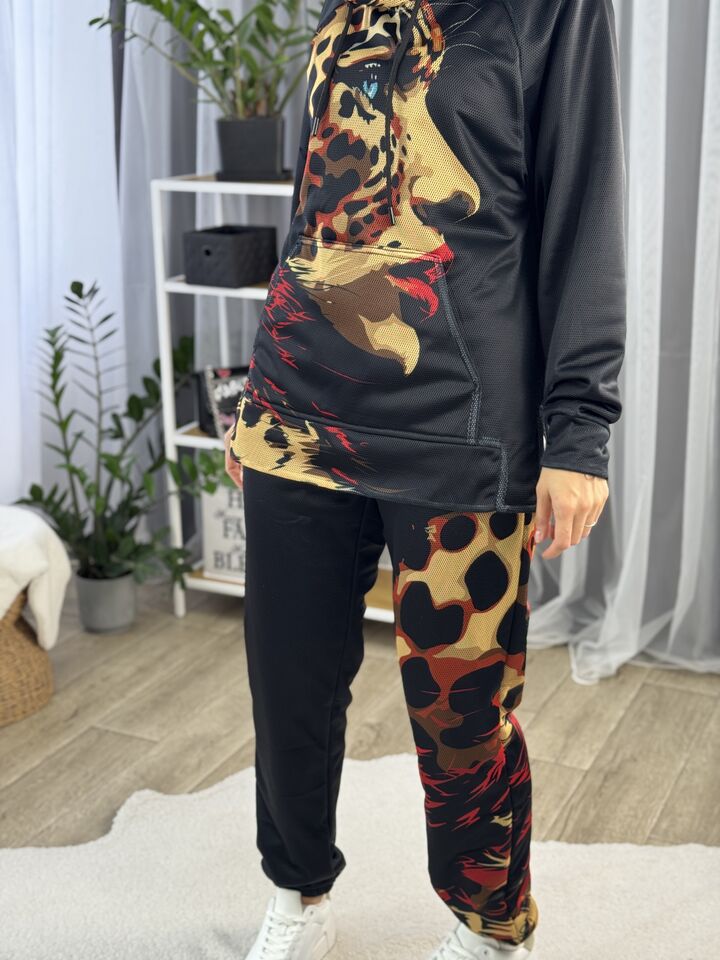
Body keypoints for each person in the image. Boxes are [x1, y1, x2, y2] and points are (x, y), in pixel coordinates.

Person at [224, 0, 626, 956]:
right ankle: (298, 894)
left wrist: (579, 432)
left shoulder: (554, 10)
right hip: (297, 404)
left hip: (463, 419)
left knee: (463, 711)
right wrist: (263, 389)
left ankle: (489, 924)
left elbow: (584, 213)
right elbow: (316, 201)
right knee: (288, 681)